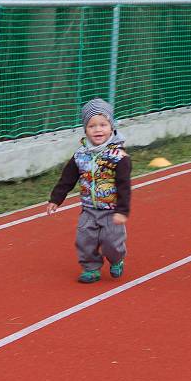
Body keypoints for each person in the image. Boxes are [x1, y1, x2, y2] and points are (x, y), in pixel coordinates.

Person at [47, 98, 132, 283]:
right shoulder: (80, 155)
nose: (98, 129)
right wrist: (56, 198)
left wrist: (123, 211)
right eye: (92, 126)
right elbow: (67, 179)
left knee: (112, 244)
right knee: (85, 241)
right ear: (85, 129)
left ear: (111, 127)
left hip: (111, 211)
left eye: (103, 124)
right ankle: (91, 268)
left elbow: (124, 186)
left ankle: (117, 259)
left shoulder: (119, 156)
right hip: (89, 209)